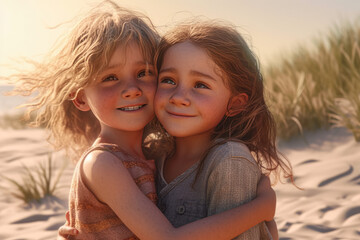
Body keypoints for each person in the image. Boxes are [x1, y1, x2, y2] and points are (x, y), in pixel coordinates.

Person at [10, 1, 276, 240]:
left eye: (143, 73)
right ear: (80, 98)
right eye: (110, 78)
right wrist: (260, 209)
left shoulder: (153, 155)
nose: (131, 89)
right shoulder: (102, 163)